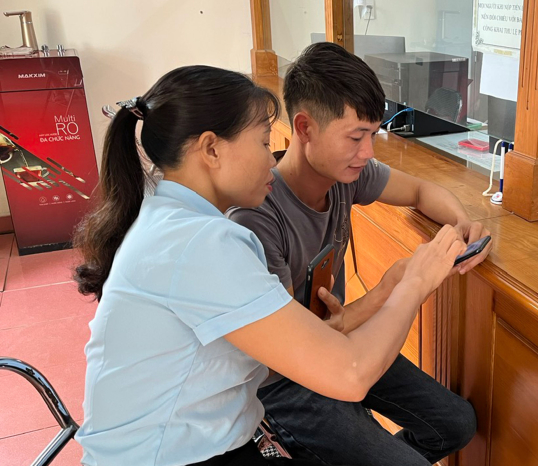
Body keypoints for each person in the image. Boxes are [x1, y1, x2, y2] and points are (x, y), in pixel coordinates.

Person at [72, 65, 465, 466]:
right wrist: (413, 283)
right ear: (211, 149)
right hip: (175, 457)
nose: (269, 160)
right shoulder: (201, 242)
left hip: (207, 441)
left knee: (448, 422)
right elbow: (350, 374)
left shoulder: (176, 221)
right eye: (263, 142)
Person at [228, 42, 491, 466]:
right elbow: (294, 348)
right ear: (305, 128)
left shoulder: (346, 174)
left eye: (372, 134)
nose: (368, 152)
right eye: (355, 137)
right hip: (283, 380)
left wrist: (463, 225)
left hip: (340, 343)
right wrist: (392, 289)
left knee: (455, 423)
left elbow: (422, 191)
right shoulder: (256, 217)